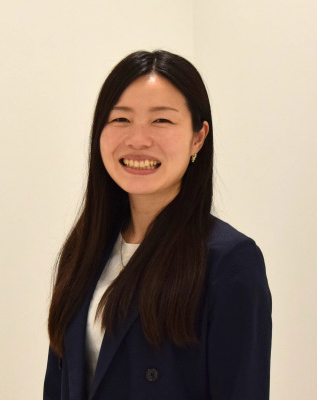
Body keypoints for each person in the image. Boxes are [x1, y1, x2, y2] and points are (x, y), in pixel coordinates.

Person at [43, 50, 272, 400]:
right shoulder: (84, 249)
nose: (138, 139)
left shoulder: (229, 261)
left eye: (161, 120)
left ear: (198, 137)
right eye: (121, 119)